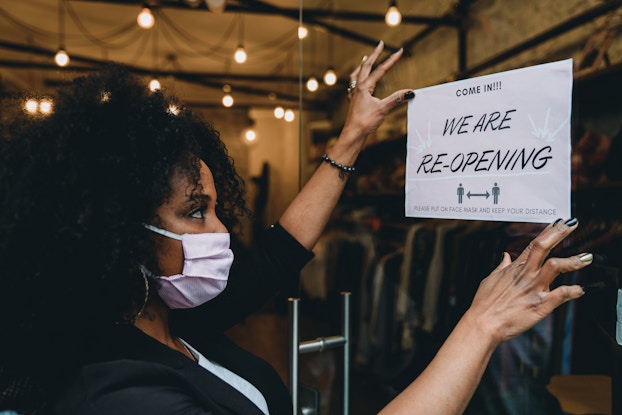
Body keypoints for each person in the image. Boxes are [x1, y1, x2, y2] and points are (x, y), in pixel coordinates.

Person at [0, 41, 592, 415]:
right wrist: (481, 326)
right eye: (195, 212)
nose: (220, 230)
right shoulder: (120, 393)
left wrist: (352, 137)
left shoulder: (170, 321)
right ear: (117, 235)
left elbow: (281, 253)